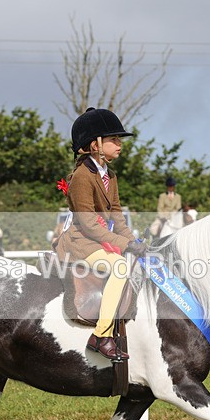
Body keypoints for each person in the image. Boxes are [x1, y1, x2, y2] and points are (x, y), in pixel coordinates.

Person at [53, 107, 144, 361]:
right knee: (119, 267)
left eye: (119, 140)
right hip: (81, 243)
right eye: (114, 139)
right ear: (95, 145)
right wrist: (124, 245)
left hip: (96, 241)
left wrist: (134, 241)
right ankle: (101, 336)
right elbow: (90, 225)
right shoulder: (82, 177)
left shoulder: (110, 176)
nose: (120, 144)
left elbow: (116, 214)